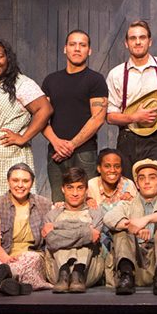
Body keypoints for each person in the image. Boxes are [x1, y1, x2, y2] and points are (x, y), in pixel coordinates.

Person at [0, 39, 52, 232]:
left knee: (15, 215)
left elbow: (45, 109)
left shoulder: (21, 83)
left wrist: (24, 137)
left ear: (8, 58)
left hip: (11, 158)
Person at [41, 30, 109, 200]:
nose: (77, 49)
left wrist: (71, 145)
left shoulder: (96, 80)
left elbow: (98, 118)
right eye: (72, 44)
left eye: (82, 45)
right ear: (65, 49)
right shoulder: (51, 80)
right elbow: (40, 117)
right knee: (58, 203)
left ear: (89, 50)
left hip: (84, 153)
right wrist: (56, 142)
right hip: (55, 152)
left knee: (87, 203)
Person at [103, 159, 157, 295]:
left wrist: (146, 219)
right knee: (121, 229)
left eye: (152, 178)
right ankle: (126, 276)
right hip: (136, 262)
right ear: (137, 184)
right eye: (142, 178)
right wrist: (132, 227)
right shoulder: (127, 204)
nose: (147, 182)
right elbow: (109, 218)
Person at [106, 20, 157, 170]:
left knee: (155, 182)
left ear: (150, 41)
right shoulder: (116, 74)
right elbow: (110, 117)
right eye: (133, 38)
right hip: (127, 137)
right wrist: (134, 117)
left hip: (156, 138)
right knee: (127, 184)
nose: (138, 42)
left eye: (142, 37)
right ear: (126, 43)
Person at [0, 163, 54, 295]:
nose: (20, 185)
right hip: (1, 254)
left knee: (31, 260)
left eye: (25, 181)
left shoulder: (44, 204)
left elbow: (61, 214)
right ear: (8, 182)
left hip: (29, 253)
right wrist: (6, 260)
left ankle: (2, 281)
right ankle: (12, 283)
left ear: (32, 183)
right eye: (15, 180)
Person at [43, 167, 105, 294]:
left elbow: (94, 238)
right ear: (63, 189)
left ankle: (78, 271)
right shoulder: (52, 215)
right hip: (57, 274)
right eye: (70, 188)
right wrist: (86, 232)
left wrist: (58, 229)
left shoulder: (96, 213)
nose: (75, 193)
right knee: (82, 237)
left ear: (86, 190)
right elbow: (52, 240)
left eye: (80, 188)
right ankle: (64, 272)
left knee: (83, 242)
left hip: (87, 273)